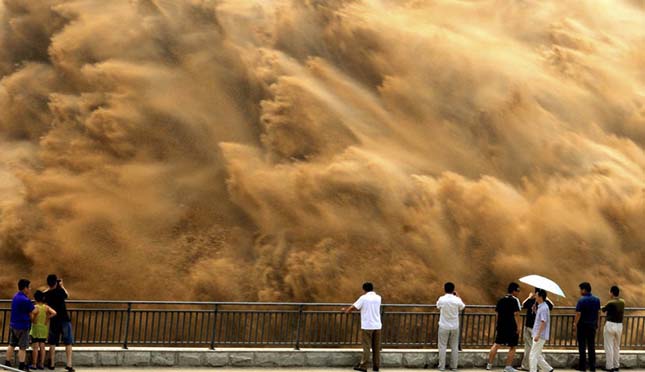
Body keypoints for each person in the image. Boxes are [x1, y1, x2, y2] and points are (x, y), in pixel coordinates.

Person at [343, 282, 382, 372]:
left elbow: (354, 307)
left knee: (367, 347)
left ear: (364, 289)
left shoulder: (363, 298)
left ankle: (364, 366)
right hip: (377, 325)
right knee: (376, 347)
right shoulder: (378, 298)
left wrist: (346, 311)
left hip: (367, 326)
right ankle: (376, 366)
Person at [487, 282, 522, 372]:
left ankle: (489, 365)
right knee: (512, 346)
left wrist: (497, 324)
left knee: (496, 344)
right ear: (513, 291)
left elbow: (497, 314)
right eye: (518, 290)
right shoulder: (515, 300)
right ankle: (508, 367)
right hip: (511, 327)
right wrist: (519, 327)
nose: (518, 292)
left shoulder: (501, 299)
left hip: (501, 326)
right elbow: (516, 314)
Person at [44, 274, 75, 372]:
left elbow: (43, 294)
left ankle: (52, 364)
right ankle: (69, 364)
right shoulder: (60, 291)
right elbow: (67, 295)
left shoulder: (47, 294)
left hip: (54, 320)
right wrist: (62, 286)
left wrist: (49, 288)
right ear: (56, 283)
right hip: (65, 319)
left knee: (52, 342)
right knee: (68, 342)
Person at [5, 279, 37, 371]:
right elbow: (34, 310)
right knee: (22, 347)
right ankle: (22, 365)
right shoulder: (25, 300)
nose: (30, 289)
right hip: (23, 326)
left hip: (13, 324)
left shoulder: (15, 296)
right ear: (25, 288)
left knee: (11, 344)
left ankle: (7, 362)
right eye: (29, 287)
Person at [521, 289, 554, 371]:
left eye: (537, 295)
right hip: (538, 334)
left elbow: (543, 322)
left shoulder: (543, 308)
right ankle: (548, 369)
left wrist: (538, 335)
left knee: (532, 355)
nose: (535, 296)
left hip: (539, 335)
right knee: (537, 354)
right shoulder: (542, 306)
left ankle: (533, 370)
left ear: (540, 297)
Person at [437, 282, 466, 371]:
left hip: (443, 326)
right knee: (454, 346)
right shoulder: (457, 299)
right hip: (454, 326)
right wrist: (458, 296)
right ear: (453, 290)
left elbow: (438, 306)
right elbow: (463, 307)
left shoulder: (442, 299)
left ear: (444, 289)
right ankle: (454, 367)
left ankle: (442, 366)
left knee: (442, 346)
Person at [574, 282, 601, 372]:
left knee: (582, 346)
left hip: (582, 326)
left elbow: (578, 313)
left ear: (584, 290)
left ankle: (583, 367)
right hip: (592, 326)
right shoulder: (597, 299)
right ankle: (592, 367)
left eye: (581, 289)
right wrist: (597, 323)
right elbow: (598, 312)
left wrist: (575, 324)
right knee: (591, 346)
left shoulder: (581, 300)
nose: (580, 291)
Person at [30, 290, 57, 370]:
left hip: (35, 328)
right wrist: (48, 317)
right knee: (42, 346)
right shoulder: (46, 307)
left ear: (35, 299)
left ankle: (34, 364)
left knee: (35, 347)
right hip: (44, 328)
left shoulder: (35, 307)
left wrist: (33, 319)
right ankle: (41, 364)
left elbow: (32, 317)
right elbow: (54, 313)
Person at [602, 286, 624, 372]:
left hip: (610, 324)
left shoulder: (610, 302)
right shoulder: (622, 302)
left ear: (611, 292)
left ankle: (609, 366)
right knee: (616, 346)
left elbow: (603, 310)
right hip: (619, 325)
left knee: (609, 346)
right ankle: (616, 365)